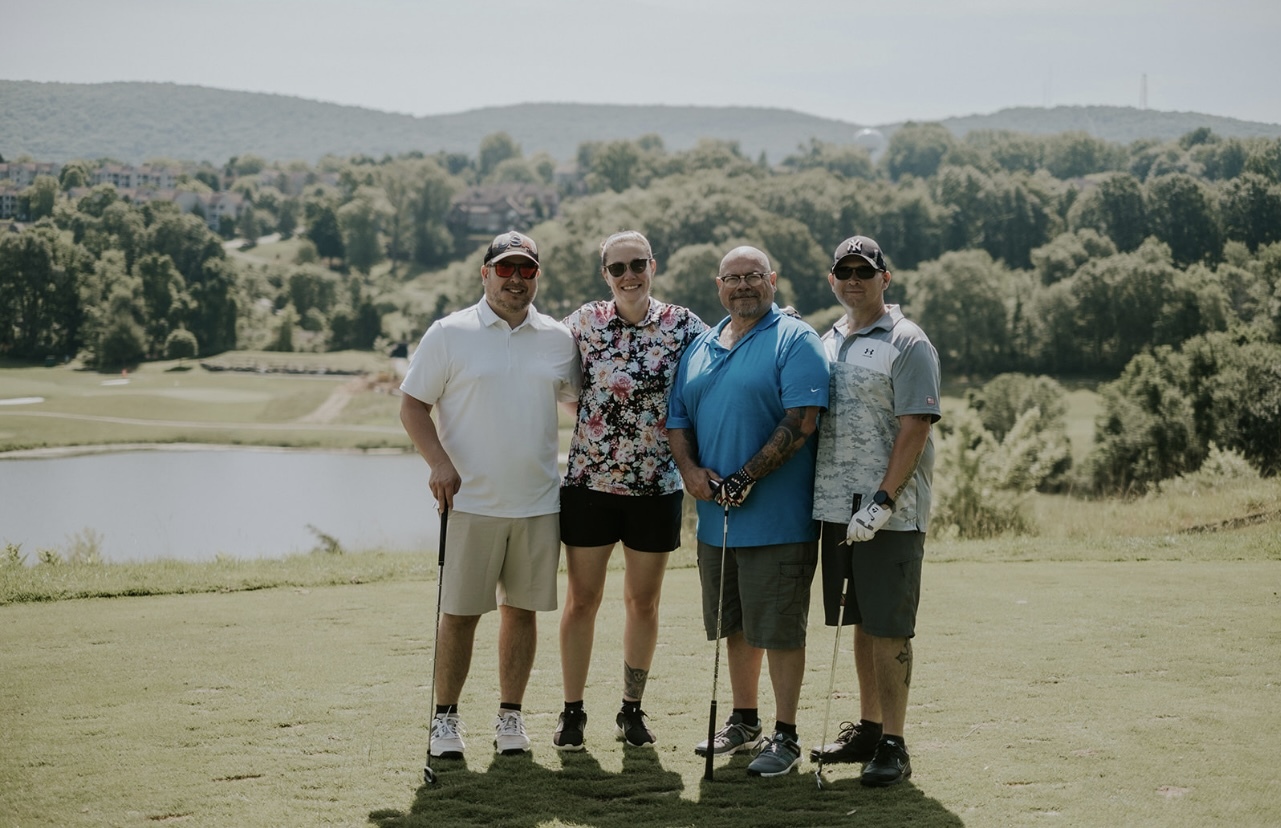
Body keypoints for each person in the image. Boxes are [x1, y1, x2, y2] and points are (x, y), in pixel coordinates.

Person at [399, 230, 581, 761]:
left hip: (538, 504)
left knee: (521, 613)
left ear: (537, 277)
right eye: (505, 269)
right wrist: (439, 463)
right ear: (485, 274)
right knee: (459, 615)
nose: (516, 279)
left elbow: (579, 405)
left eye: (527, 270)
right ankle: (445, 720)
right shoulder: (449, 333)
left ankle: (510, 718)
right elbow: (412, 406)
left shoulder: (558, 339)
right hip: (469, 504)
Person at [666, 245, 829, 778]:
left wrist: (745, 477)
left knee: (778, 629)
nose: (742, 286)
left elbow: (802, 420)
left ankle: (786, 735)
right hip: (716, 523)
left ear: (772, 280)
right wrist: (691, 472)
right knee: (732, 624)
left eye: (753, 276)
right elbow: (677, 421)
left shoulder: (795, 339)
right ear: (718, 286)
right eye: (732, 278)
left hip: (778, 521)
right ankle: (744, 721)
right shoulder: (701, 344)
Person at [554, 230, 707, 751]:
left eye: (637, 264)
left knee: (643, 604)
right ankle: (572, 712)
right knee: (582, 601)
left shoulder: (684, 325)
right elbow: (552, 373)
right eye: (617, 268)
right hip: (589, 486)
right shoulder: (583, 322)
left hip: (656, 488)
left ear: (652, 266)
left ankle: (631, 710)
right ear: (605, 275)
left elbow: (726, 354)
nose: (629, 276)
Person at [808, 235, 941, 787]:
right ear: (833, 280)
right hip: (838, 509)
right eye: (845, 271)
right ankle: (868, 729)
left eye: (865, 271)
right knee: (860, 620)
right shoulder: (826, 340)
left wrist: (884, 500)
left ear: (885, 278)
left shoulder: (907, 341)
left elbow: (916, 427)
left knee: (889, 628)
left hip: (890, 513)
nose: (854, 280)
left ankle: (894, 743)